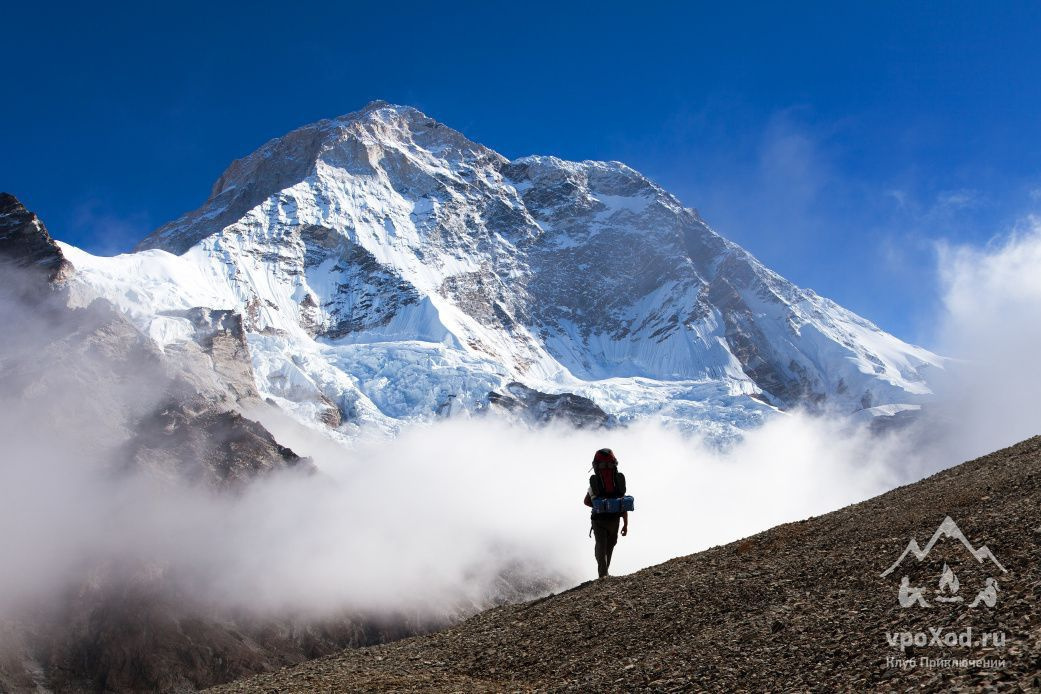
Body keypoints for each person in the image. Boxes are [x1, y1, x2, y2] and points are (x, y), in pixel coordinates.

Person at [583, 448, 628, 578]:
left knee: (601, 548)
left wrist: (599, 505)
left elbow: (586, 502)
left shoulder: (595, 483)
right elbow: (623, 504)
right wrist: (625, 525)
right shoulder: (618, 482)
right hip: (615, 520)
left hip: (598, 520)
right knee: (609, 547)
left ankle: (603, 575)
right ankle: (605, 574)